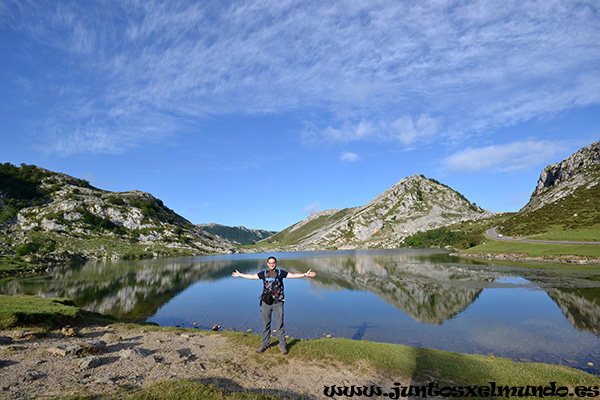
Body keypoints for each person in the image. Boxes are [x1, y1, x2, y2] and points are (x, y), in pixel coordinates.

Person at [231, 256, 315, 354]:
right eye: (270, 263)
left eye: (273, 262)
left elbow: (292, 275)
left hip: (278, 303)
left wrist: (305, 274)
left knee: (279, 325)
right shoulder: (263, 273)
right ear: (267, 264)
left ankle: (283, 346)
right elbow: (252, 276)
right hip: (266, 303)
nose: (272, 264)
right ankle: (264, 345)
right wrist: (240, 274)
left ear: (276, 263)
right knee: (265, 325)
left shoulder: (280, 273)